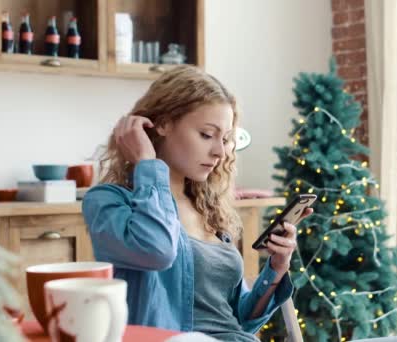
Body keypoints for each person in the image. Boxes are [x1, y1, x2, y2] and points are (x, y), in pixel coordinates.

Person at [82, 65, 312, 341]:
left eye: (225, 139)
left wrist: (276, 268)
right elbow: (157, 250)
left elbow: (239, 322)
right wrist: (147, 162)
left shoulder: (209, 209)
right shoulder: (108, 202)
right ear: (163, 124)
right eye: (206, 134)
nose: (218, 151)